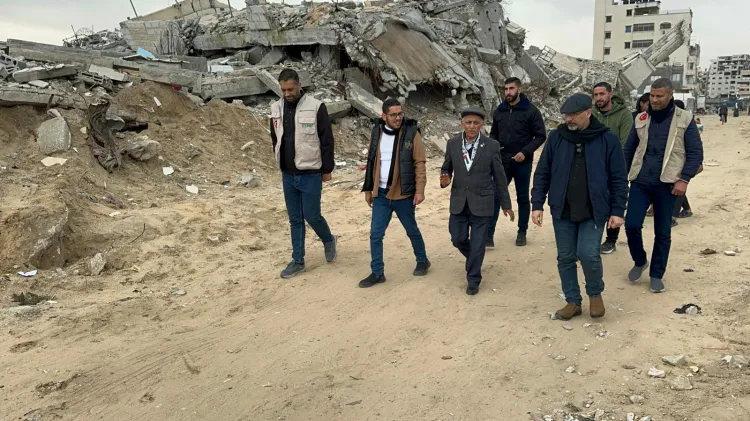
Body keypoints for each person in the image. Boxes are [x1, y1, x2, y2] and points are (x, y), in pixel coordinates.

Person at [531, 93, 628, 320]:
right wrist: (537, 204)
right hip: (562, 208)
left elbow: (619, 178)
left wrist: (617, 210)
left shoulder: (607, 139)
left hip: (593, 209)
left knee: (588, 254)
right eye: (566, 115)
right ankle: (573, 301)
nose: (569, 119)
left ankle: (595, 295)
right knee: (565, 257)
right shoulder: (557, 137)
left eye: (574, 115)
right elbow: (543, 172)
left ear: (588, 113)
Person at [623, 78, 703, 293]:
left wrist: (684, 179)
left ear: (670, 96)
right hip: (640, 181)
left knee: (662, 232)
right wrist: (621, 177)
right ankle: (640, 260)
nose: (655, 100)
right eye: (652, 95)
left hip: (668, 185)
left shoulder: (685, 119)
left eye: (659, 96)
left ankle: (656, 274)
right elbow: (629, 149)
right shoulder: (641, 118)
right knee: (631, 225)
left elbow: (695, 153)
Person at [270, 68, 337, 278]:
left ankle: (328, 239)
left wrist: (327, 169)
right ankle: (298, 261)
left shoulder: (316, 107)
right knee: (295, 219)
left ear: (299, 85)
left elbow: (326, 140)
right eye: (283, 90)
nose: (287, 94)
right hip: (287, 174)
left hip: (311, 172)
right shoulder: (276, 108)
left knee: (312, 215)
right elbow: (275, 138)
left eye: (290, 89)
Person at [441, 108, 515, 295]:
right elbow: (446, 167)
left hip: (483, 202)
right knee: (457, 238)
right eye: (468, 122)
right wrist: (445, 176)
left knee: (478, 243)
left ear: (482, 125)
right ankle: (473, 258)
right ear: (462, 124)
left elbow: (500, 177)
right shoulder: (452, 143)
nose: (472, 126)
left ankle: (473, 279)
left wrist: (506, 205)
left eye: (476, 123)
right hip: (459, 201)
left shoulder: (492, 145)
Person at [359, 99, 430, 288]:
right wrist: (368, 189)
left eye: (400, 114)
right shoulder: (377, 132)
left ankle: (422, 260)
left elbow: (419, 163)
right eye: (393, 115)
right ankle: (377, 272)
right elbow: (371, 160)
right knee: (375, 235)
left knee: (411, 230)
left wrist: (420, 190)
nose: (398, 118)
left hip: (403, 194)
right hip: (380, 194)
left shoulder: (411, 133)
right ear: (384, 116)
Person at [488, 77, 547, 248]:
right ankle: (489, 235)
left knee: (522, 198)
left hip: (523, 162)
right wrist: (495, 148)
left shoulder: (531, 111)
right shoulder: (499, 111)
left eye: (511, 88)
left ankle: (522, 232)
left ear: (519, 89)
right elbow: (493, 134)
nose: (508, 92)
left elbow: (540, 136)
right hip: (502, 161)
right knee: (496, 196)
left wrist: (525, 152)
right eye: (505, 89)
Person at [591, 81, 634, 255]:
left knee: (615, 200)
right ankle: (591, 237)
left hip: (615, 166)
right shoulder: (591, 113)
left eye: (602, 94)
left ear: (610, 94)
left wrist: (616, 166)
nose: (598, 98)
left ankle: (611, 239)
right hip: (593, 166)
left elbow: (626, 144)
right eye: (595, 95)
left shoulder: (624, 115)